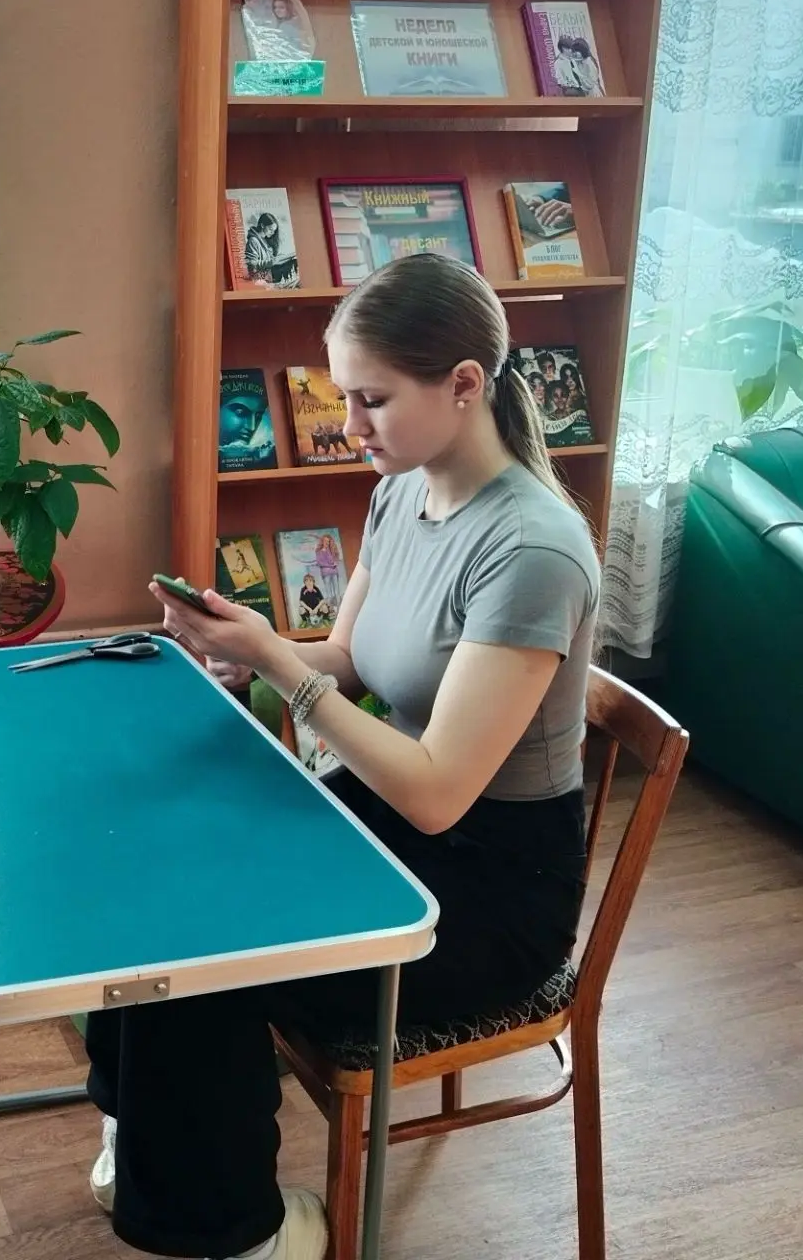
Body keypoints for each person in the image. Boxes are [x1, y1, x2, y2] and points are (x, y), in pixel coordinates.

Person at [86, 251, 597, 1260]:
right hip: (388, 821)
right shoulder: (401, 492)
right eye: (341, 397)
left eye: (372, 399)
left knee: (214, 952)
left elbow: (441, 794)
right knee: (160, 864)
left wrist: (280, 662)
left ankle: (237, 1232)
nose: (349, 424)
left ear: (464, 385)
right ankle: (150, 1133)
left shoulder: (533, 553)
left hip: (486, 892)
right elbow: (353, 662)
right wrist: (245, 648)